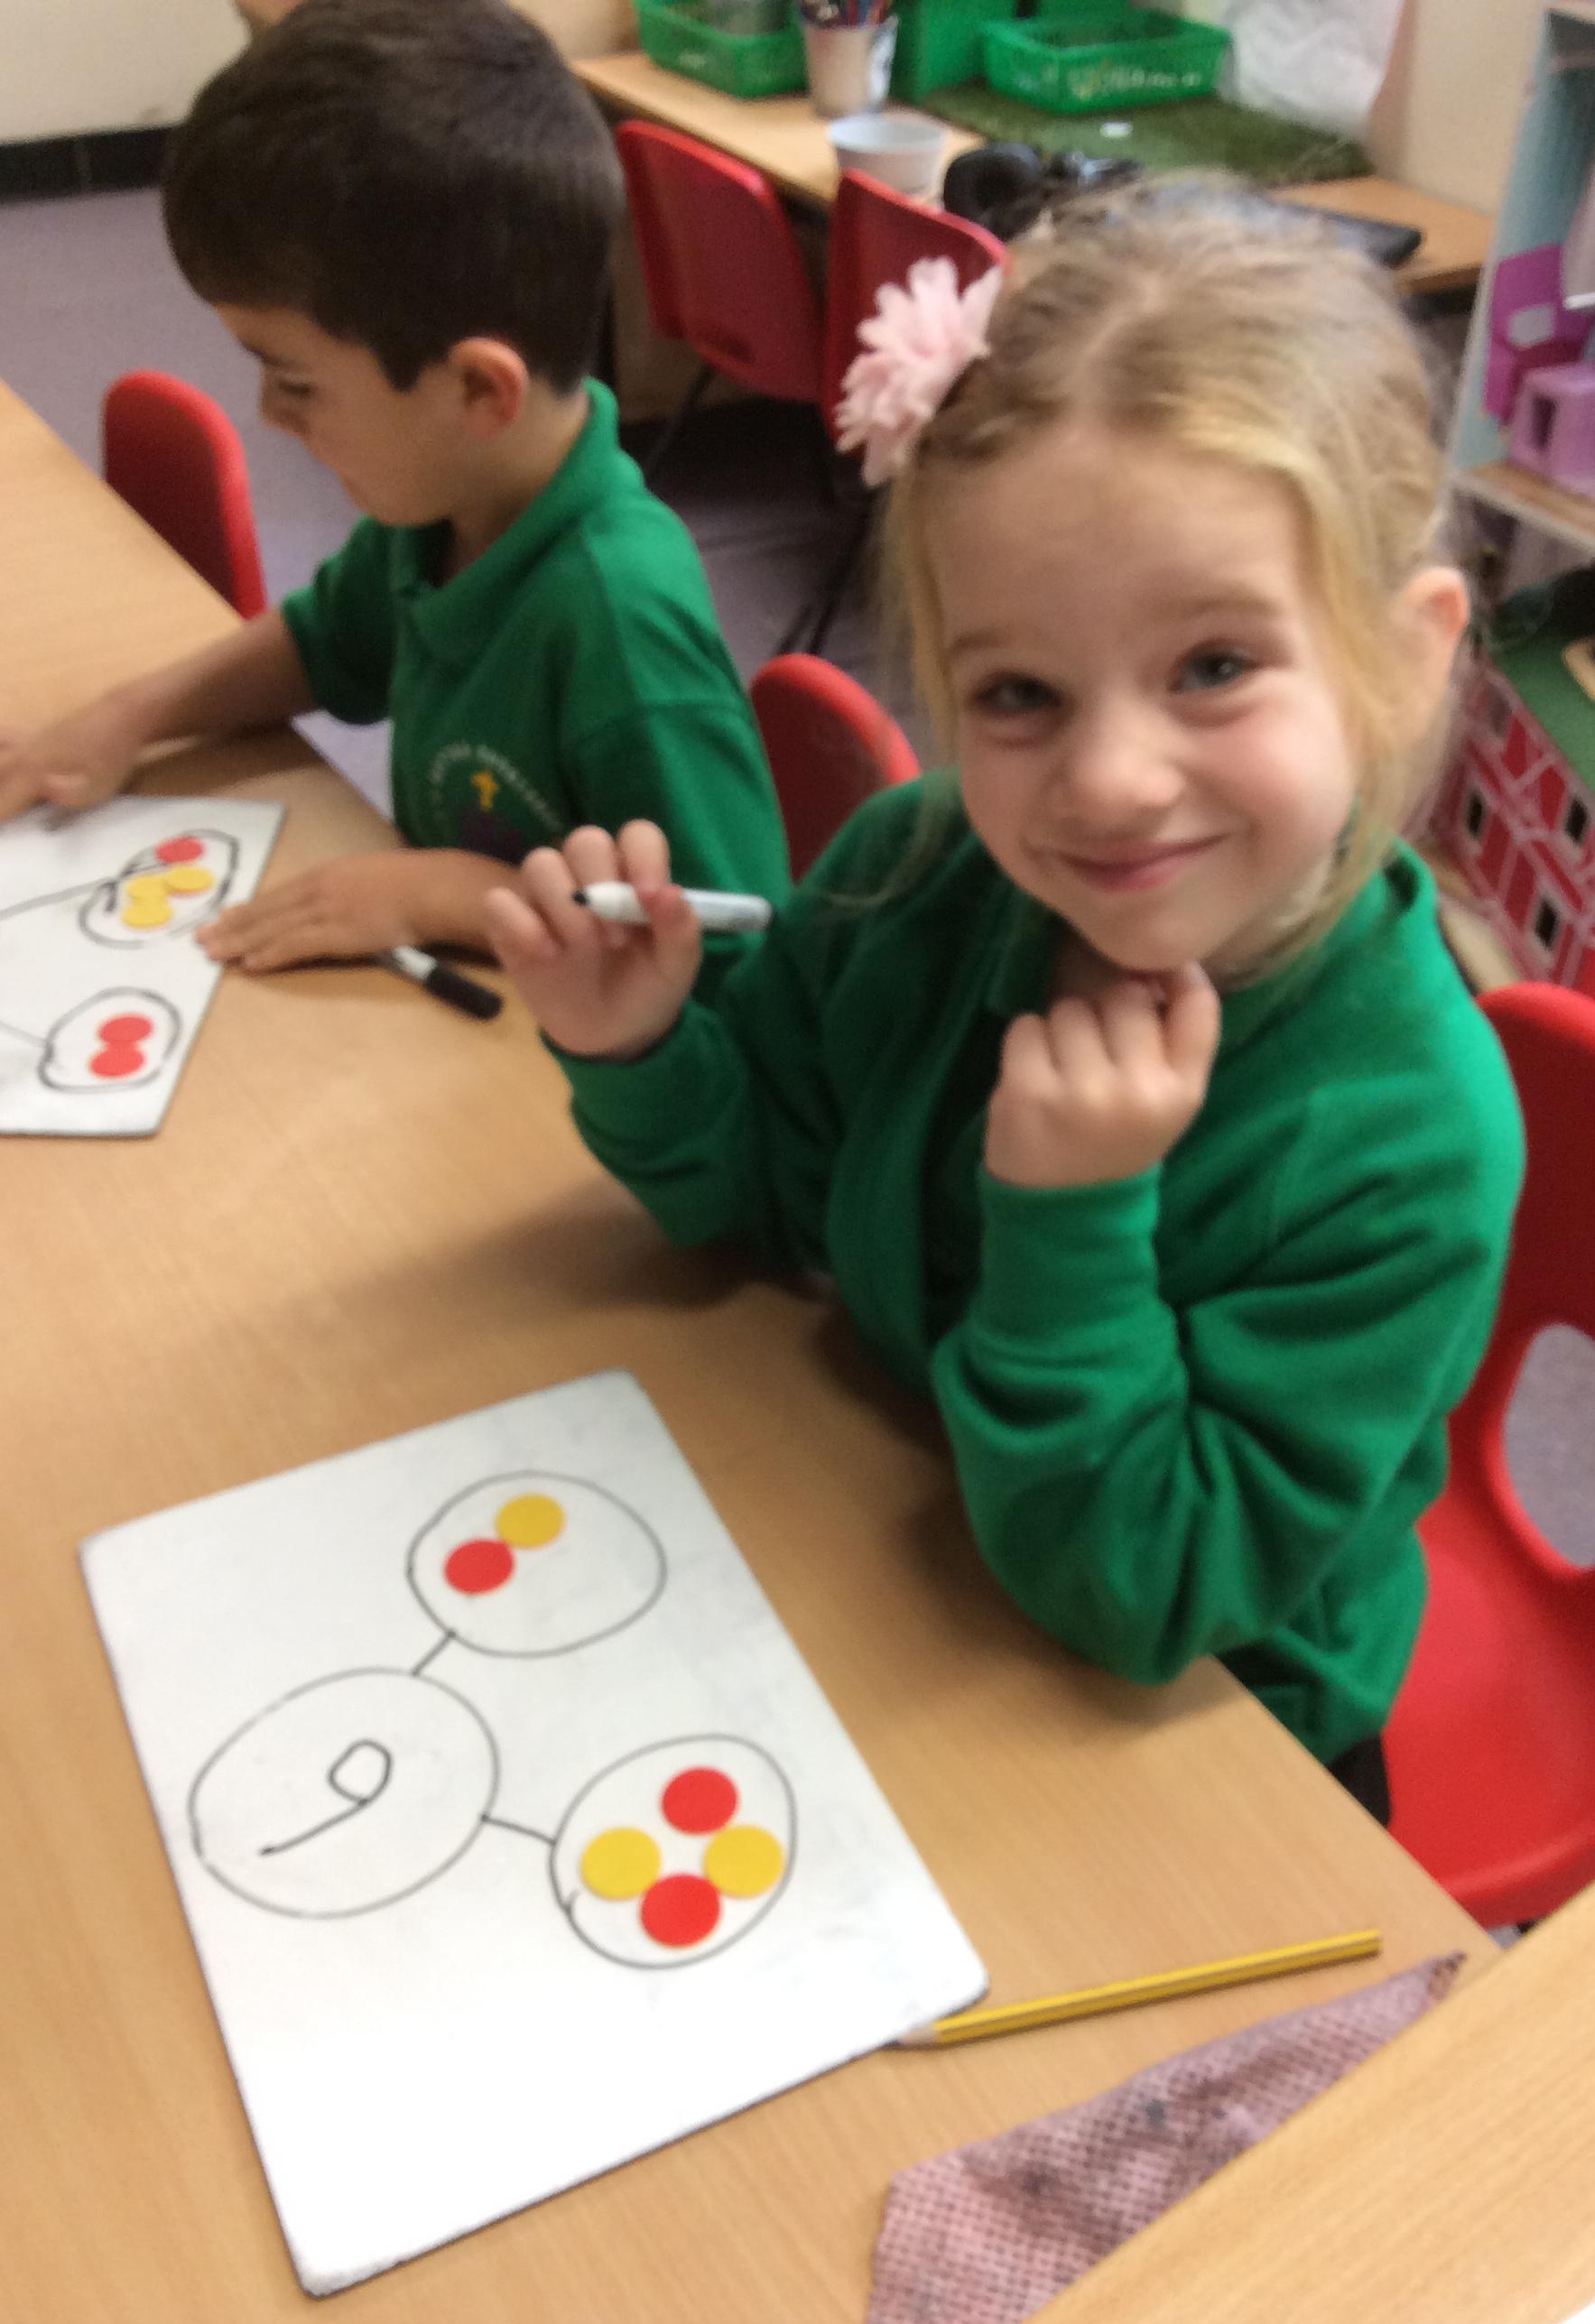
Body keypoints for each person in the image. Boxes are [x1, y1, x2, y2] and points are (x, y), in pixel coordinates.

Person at [485, 193, 1525, 1821]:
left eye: (1214, 665)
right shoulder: (918, 874)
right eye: (1020, 694)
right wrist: (641, 1045)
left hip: (1214, 1740)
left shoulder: (1409, 1135)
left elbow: (1150, 1593)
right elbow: (762, 1200)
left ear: (1399, 661)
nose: (1108, 782)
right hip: (895, 1539)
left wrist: (1071, 1217)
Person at [0, 0, 788, 986]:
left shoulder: (620, 627)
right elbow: (326, 642)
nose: (269, 416)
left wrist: (449, 895)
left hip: (571, 1065)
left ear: (479, 391)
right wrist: (130, 714)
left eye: (296, 382)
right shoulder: (448, 507)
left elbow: (738, 955)